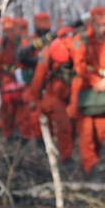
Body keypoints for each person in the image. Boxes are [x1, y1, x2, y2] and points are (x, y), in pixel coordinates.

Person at [68, 6, 105, 182]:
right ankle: (90, 169)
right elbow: (80, 67)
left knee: (100, 134)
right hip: (83, 94)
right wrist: (98, 83)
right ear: (92, 23)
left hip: (103, 96)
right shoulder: (80, 40)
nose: (104, 28)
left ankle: (92, 162)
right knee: (86, 135)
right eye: (100, 24)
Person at [24, 26, 77, 170]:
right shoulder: (48, 51)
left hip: (73, 93)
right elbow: (38, 77)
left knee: (74, 125)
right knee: (64, 124)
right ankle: (66, 158)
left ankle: (68, 152)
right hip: (54, 96)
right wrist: (34, 99)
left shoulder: (78, 47)